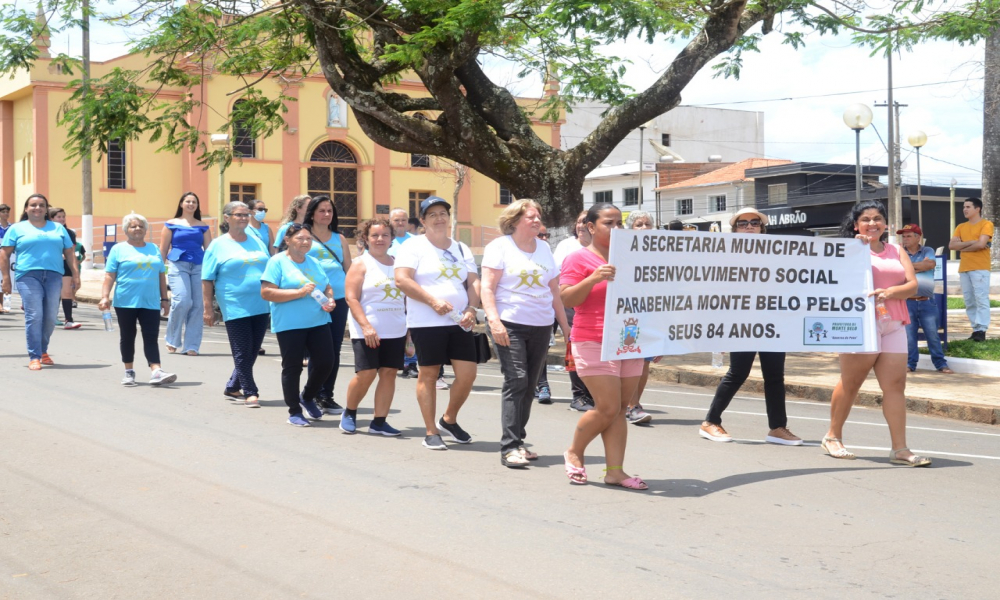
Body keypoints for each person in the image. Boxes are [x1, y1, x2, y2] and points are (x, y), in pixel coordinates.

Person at [823, 200, 930, 466]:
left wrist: (890, 293)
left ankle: (900, 449)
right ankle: (833, 437)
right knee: (852, 382)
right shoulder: (848, 250)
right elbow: (833, 281)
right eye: (866, 219)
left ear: (886, 224)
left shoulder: (896, 250)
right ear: (856, 224)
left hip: (893, 321)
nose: (873, 223)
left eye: (878, 218)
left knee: (895, 385)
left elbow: (912, 284)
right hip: (859, 323)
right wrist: (854, 249)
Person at [560, 203, 647, 489]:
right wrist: (595, 277)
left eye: (619, 223)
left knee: (620, 408)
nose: (616, 228)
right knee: (607, 407)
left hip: (630, 338)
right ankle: (574, 451)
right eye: (609, 223)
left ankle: (615, 472)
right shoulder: (578, 259)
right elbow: (568, 299)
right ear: (590, 227)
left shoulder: (635, 258)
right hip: (592, 338)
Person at [698, 207, 802, 445]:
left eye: (754, 223)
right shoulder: (725, 256)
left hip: (773, 321)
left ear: (762, 228)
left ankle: (777, 427)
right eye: (742, 224)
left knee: (775, 376)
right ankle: (711, 421)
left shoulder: (777, 254)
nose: (749, 227)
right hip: (740, 321)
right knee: (738, 372)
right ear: (734, 230)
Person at [482, 200, 570, 468]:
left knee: (530, 384)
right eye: (530, 216)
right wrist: (494, 321)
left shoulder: (544, 248)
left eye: (538, 216)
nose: (536, 220)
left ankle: (518, 441)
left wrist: (567, 329)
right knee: (516, 379)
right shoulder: (499, 247)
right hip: (509, 323)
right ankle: (509, 448)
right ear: (514, 220)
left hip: (541, 325)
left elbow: (554, 291)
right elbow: (487, 288)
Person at [395, 196, 480, 450]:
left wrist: (471, 308)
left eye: (443, 213)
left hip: (459, 321)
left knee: (467, 375)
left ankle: (449, 420)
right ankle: (431, 431)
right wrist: (432, 301)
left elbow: (473, 281)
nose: (439, 218)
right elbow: (402, 280)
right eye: (432, 214)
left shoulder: (461, 248)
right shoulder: (413, 247)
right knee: (429, 375)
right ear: (422, 221)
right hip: (426, 322)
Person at [260, 223, 336, 427]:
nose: (305, 242)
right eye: (300, 238)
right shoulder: (277, 262)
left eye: (309, 239)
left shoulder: (313, 261)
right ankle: (294, 410)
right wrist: (299, 292)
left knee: (325, 362)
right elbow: (266, 292)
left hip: (318, 320)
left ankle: (308, 396)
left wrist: (331, 299)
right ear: (287, 240)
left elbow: (327, 286)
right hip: (290, 324)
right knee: (292, 367)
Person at [202, 201, 272, 407]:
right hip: (235, 303)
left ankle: (233, 385)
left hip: (261, 302)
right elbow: (207, 279)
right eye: (238, 214)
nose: (243, 218)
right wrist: (208, 309)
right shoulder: (218, 245)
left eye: (246, 214)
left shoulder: (257, 240)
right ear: (227, 218)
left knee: (253, 348)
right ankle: (250, 391)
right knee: (242, 349)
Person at [342, 218, 406, 436]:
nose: (380, 239)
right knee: (366, 373)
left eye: (385, 235)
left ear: (391, 238)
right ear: (366, 239)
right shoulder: (361, 263)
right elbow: (351, 298)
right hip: (367, 329)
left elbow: (406, 299)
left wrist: (409, 332)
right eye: (375, 235)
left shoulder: (399, 263)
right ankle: (349, 413)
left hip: (396, 328)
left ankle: (379, 422)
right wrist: (366, 326)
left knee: (388, 373)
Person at [0, 194, 79, 370]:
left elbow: (69, 253)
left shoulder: (58, 228)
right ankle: (35, 355)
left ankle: (43, 350)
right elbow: (4, 254)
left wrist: (76, 274)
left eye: (41, 205)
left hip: (53, 276)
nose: (37, 208)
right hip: (28, 276)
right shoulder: (17, 229)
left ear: (46, 208)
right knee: (35, 315)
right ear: (26, 209)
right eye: (33, 205)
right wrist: (6, 279)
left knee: (50, 317)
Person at [100, 213, 177, 386]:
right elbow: (109, 275)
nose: (137, 229)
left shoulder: (154, 249)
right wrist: (105, 297)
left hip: (150, 302)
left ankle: (156, 370)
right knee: (128, 336)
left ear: (145, 229)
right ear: (126, 229)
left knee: (151, 336)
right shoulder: (118, 249)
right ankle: (129, 372)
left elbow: (160, 274)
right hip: (125, 301)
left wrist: (165, 299)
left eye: (141, 226)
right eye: (133, 226)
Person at [301, 195, 353, 415]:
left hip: (338, 300)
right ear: (312, 213)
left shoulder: (339, 238)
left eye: (329, 211)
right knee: (317, 350)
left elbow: (349, 268)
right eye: (321, 210)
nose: (326, 214)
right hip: (311, 299)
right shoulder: (303, 236)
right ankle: (311, 394)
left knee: (334, 350)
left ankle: (326, 395)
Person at [551, 210, 595, 412]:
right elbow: (558, 277)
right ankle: (578, 395)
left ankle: (593, 393)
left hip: (596, 307)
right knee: (575, 350)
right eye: (578, 221)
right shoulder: (566, 247)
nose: (581, 225)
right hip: (572, 304)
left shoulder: (606, 249)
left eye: (585, 222)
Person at [160, 192, 212, 356]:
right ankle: (172, 339)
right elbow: (163, 249)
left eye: (194, 202)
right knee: (182, 300)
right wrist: (159, 269)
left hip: (199, 265)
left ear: (197, 206)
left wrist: (211, 273)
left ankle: (192, 346)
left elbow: (209, 251)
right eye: (188, 201)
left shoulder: (202, 226)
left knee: (197, 305)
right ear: (181, 204)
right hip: (178, 264)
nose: (191, 204)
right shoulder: (171, 224)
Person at [898, 224, 952, 374]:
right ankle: (910, 364)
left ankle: (941, 364)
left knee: (932, 335)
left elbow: (930, 264)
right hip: (907, 302)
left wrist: (908, 267)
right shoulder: (900, 252)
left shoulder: (927, 250)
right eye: (904, 236)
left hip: (927, 301)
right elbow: (898, 270)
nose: (905, 239)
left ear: (918, 237)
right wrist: (919, 266)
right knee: (909, 336)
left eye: (908, 236)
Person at [621, 211, 657, 425]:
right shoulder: (622, 251)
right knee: (631, 358)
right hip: (628, 314)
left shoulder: (661, 253)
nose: (644, 227)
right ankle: (631, 405)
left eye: (647, 224)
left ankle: (634, 404)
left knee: (644, 362)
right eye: (638, 224)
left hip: (652, 315)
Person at [948, 197, 993, 342]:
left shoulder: (986, 224)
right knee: (969, 301)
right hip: (964, 268)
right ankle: (975, 329)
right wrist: (973, 242)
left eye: (968, 207)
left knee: (981, 299)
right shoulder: (961, 227)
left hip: (980, 267)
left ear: (977, 209)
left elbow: (981, 245)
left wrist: (964, 245)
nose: (964, 209)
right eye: (964, 207)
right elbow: (952, 246)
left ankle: (982, 330)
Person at [47, 207, 82, 329]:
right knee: (53, 294)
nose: (62, 219)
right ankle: (49, 317)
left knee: (67, 292)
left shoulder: (70, 233)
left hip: (65, 266)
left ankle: (69, 320)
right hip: (50, 266)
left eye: (63, 216)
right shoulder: (45, 231)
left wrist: (75, 274)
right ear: (51, 218)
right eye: (58, 217)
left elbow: (71, 252)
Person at [0, 203, 9, 313]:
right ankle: (0, 304)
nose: (6, 214)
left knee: (8, 280)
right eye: (3, 212)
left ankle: (7, 305)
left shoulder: (12, 227)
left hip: (10, 258)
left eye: (7, 212)